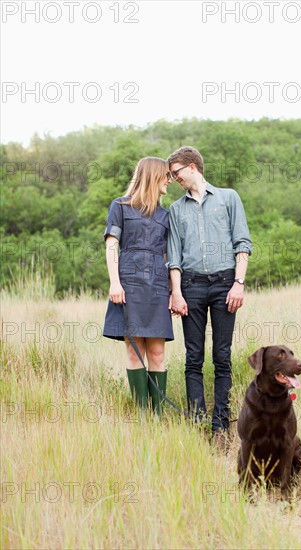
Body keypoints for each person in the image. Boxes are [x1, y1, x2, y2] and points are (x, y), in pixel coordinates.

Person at [167, 146, 252, 446]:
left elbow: (242, 242)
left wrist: (238, 283)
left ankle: (220, 426)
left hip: (224, 284)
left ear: (192, 167)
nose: (173, 179)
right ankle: (198, 422)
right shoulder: (176, 210)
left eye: (175, 173)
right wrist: (176, 293)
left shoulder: (229, 198)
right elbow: (173, 256)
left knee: (222, 356)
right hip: (190, 286)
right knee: (193, 358)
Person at [103, 157, 174, 415]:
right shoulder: (120, 207)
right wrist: (115, 283)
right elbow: (112, 245)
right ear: (153, 176)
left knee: (156, 353)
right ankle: (142, 416)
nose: (170, 180)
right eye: (166, 175)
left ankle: (158, 417)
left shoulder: (167, 215)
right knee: (135, 354)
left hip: (157, 286)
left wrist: (173, 292)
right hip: (128, 286)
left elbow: (171, 256)